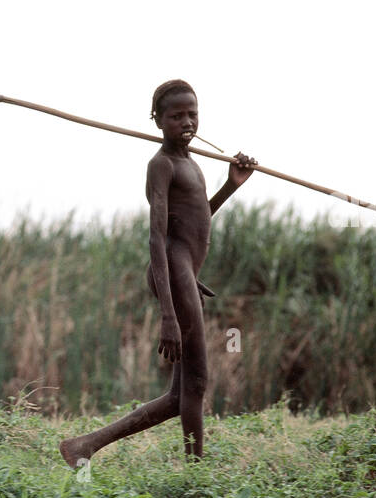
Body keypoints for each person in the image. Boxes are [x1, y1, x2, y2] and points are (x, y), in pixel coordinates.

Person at [60, 80, 255, 464]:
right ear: (158, 121)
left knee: (180, 397)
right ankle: (195, 474)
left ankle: (84, 446)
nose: (187, 122)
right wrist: (169, 314)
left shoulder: (192, 164)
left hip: (185, 275)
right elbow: (158, 238)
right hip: (172, 269)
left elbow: (197, 222)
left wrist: (231, 186)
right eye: (176, 116)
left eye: (192, 114)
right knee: (197, 384)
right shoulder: (161, 165)